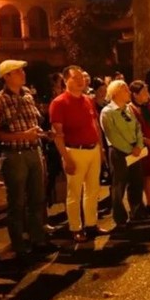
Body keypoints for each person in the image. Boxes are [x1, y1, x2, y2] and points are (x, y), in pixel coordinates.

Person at [0, 60, 54, 258]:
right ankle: (19, 244)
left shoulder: (27, 95)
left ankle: (38, 239)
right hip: (14, 155)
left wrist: (42, 134)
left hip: (34, 151)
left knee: (37, 199)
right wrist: (24, 135)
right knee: (16, 202)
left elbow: (33, 124)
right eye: (18, 71)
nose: (23, 73)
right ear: (6, 76)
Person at [49, 65, 107, 243]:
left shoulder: (88, 100)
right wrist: (66, 158)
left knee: (93, 190)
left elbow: (95, 124)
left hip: (93, 149)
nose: (81, 81)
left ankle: (91, 224)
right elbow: (58, 134)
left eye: (82, 77)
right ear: (66, 80)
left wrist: (101, 147)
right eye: (76, 78)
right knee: (74, 193)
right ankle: (76, 228)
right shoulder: (59, 103)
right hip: (74, 150)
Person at [100, 81, 145, 228]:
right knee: (119, 185)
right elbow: (112, 135)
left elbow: (138, 127)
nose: (128, 92)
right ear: (116, 92)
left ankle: (137, 210)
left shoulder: (128, 109)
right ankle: (120, 217)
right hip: (119, 152)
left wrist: (138, 145)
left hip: (134, 150)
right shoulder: (107, 112)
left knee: (136, 182)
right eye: (125, 90)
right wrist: (129, 149)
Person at [130, 80, 150, 208]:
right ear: (135, 94)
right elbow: (133, 131)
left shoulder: (148, 106)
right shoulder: (131, 109)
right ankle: (140, 204)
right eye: (143, 92)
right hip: (140, 144)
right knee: (141, 175)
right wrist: (146, 140)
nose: (146, 94)